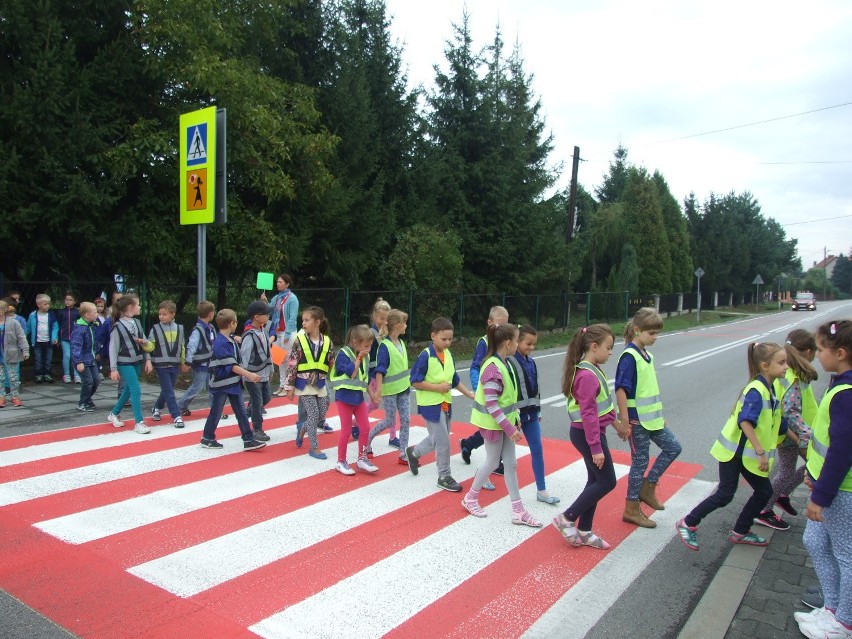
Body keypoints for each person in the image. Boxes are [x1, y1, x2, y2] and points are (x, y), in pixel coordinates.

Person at [676, 342, 787, 551]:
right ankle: (688, 522)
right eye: (781, 363)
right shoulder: (757, 389)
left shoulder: (770, 387)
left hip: (743, 454)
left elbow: (777, 422)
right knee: (729, 494)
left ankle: (739, 530)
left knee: (759, 492)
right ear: (764, 365)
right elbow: (745, 421)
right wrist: (761, 452)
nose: (786, 367)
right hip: (736, 453)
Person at [795, 320, 852, 639]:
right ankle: (832, 608)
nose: (816, 355)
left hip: (841, 491)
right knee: (813, 541)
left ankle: (844, 622)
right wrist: (812, 474)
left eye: (820, 349)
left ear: (840, 353)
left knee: (846, 555)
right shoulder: (839, 383)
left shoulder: (846, 394)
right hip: (826, 486)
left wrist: (821, 496)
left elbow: (842, 452)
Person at [462, 323, 542, 527]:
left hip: (503, 424)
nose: (517, 344)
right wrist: (510, 428)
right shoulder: (493, 368)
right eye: (516, 340)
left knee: (510, 464)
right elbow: (491, 404)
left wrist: (512, 424)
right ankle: (470, 498)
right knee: (492, 461)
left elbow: (505, 401)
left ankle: (518, 510)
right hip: (494, 425)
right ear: (508, 343)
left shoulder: (504, 363)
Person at [552, 324, 622, 550]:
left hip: (589, 433)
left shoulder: (591, 369)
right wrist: (596, 448)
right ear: (594, 346)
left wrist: (615, 424)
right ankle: (567, 518)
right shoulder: (587, 375)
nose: (611, 352)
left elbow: (601, 408)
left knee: (595, 480)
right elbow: (589, 414)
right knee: (607, 481)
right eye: (608, 348)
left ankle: (585, 530)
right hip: (587, 435)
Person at [616, 307, 682, 528]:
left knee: (673, 447)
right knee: (639, 462)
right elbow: (621, 390)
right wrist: (624, 421)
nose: (655, 338)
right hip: (636, 421)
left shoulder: (647, 355)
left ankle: (649, 485)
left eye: (657, 333)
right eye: (651, 333)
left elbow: (647, 389)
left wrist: (659, 416)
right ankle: (631, 508)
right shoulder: (629, 356)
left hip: (651, 419)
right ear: (637, 330)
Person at [755, 329, 818, 530]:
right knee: (813, 466)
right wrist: (806, 434)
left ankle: (777, 497)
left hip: (789, 432)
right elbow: (791, 411)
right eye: (816, 351)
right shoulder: (793, 377)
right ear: (808, 352)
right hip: (794, 434)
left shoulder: (791, 373)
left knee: (789, 470)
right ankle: (763, 508)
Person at [406, 317, 475, 493]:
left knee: (437, 438)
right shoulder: (425, 356)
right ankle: (444, 476)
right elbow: (415, 381)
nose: (447, 342)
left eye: (450, 339)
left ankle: (414, 453)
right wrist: (437, 388)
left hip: (445, 404)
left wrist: (468, 394)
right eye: (444, 339)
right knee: (443, 441)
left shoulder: (449, 356)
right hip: (430, 406)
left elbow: (454, 380)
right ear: (433, 336)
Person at [199, 309, 266, 451]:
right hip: (222, 383)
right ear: (232, 323)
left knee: (240, 412)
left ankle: (248, 439)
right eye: (235, 321)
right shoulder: (221, 343)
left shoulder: (228, 339)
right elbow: (232, 366)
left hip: (232, 382)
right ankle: (207, 437)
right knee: (217, 412)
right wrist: (249, 375)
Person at [460, 305, 509, 489]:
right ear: (489, 323)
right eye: (499, 325)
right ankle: (485, 460)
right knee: (491, 429)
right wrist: (478, 388)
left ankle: (471, 445)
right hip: (487, 391)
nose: (502, 329)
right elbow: (475, 367)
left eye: (505, 325)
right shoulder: (484, 342)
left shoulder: (506, 342)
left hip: (500, 393)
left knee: (497, 429)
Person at [509, 324, 559, 504]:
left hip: (530, 416)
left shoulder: (531, 362)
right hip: (513, 417)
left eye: (534, 344)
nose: (531, 348)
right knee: (498, 456)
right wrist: (513, 417)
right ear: (517, 341)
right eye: (528, 344)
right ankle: (482, 478)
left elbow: (536, 389)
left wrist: (538, 410)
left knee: (537, 450)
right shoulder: (508, 362)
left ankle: (541, 489)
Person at [284, 306, 334, 460]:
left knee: (321, 412)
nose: (303, 323)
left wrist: (335, 380)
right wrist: (289, 387)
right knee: (313, 414)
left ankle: (303, 429)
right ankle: (314, 447)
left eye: (307, 320)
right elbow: (292, 364)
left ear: (317, 322)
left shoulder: (327, 342)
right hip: (303, 384)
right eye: (302, 320)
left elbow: (331, 362)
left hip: (320, 383)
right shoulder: (299, 341)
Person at [330, 325, 380, 475]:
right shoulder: (344, 354)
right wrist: (358, 358)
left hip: (358, 399)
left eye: (370, 345)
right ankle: (341, 461)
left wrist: (373, 394)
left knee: (365, 428)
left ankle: (362, 458)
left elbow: (364, 380)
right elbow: (352, 373)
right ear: (354, 343)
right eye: (366, 345)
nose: (369, 348)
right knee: (346, 431)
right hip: (344, 399)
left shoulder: (365, 356)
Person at [366, 309, 411, 464]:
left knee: (406, 420)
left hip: (404, 389)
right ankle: (368, 439)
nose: (406, 325)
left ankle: (403, 454)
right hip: (391, 391)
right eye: (404, 322)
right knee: (389, 421)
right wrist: (378, 390)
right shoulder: (384, 346)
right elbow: (380, 370)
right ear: (397, 325)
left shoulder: (401, 343)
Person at [107, 294, 154, 434]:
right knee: (135, 389)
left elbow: (144, 341)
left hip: (137, 361)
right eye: (138, 304)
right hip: (124, 362)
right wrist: (113, 368)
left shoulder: (137, 323)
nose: (140, 307)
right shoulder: (118, 327)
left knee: (128, 390)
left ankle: (113, 414)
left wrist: (148, 359)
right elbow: (113, 349)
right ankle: (139, 422)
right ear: (130, 307)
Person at [145, 300, 186, 429]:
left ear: (172, 314)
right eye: (160, 314)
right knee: (169, 391)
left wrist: (183, 362)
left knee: (167, 389)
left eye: (164, 314)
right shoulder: (155, 329)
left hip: (174, 364)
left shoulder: (180, 328)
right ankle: (176, 416)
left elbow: (182, 346)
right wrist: (145, 344)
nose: (161, 316)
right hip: (161, 365)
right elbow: (151, 346)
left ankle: (157, 407)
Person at [241, 300, 274, 443]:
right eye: (265, 314)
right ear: (256, 317)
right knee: (257, 401)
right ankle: (257, 428)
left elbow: (269, 352)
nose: (268, 317)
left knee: (266, 398)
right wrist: (244, 375)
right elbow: (244, 356)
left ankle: (247, 413)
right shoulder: (249, 335)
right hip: (253, 376)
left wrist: (271, 369)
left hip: (264, 373)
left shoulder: (263, 330)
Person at [177, 301, 216, 417]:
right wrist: (188, 362)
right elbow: (191, 347)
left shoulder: (211, 327)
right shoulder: (198, 330)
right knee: (197, 386)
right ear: (210, 314)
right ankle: (181, 405)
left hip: (211, 363)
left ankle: (215, 409)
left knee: (212, 387)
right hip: (201, 364)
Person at [361, 298, 392, 440]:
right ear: (374, 317)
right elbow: (366, 356)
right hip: (373, 374)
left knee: (391, 406)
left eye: (387, 319)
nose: (384, 322)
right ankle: (357, 422)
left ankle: (393, 436)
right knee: (375, 403)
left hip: (388, 374)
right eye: (381, 318)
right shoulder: (371, 334)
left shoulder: (389, 334)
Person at [263, 274, 299, 396]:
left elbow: (292, 318)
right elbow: (270, 310)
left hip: (287, 333)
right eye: (277, 282)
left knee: (288, 360)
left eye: (280, 282)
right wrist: (265, 302)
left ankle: (287, 386)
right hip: (277, 333)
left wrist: (288, 333)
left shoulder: (292, 298)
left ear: (287, 284)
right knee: (279, 360)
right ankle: (281, 385)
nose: (277, 284)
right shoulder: (277, 298)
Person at [71, 302, 101, 412]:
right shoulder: (80, 328)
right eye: (95, 312)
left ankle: (87, 399)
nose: (97, 314)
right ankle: (82, 402)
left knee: (96, 380)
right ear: (87, 315)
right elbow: (76, 346)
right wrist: (78, 361)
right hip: (82, 361)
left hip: (90, 359)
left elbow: (93, 342)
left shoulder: (91, 325)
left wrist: (96, 352)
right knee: (88, 381)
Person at [0, 299, 29, 408]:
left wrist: (25, 350)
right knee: (0, 378)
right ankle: (1, 397)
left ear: (3, 311)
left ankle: (15, 396)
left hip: (12, 354)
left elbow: (21, 337)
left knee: (13, 377)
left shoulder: (13, 322)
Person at [27, 294, 58, 383]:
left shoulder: (51, 315)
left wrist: (54, 337)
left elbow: (55, 326)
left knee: (48, 359)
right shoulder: (33, 315)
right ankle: (38, 374)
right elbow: (28, 328)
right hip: (37, 342)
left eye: (48, 304)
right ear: (38, 305)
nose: (48, 305)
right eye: (45, 304)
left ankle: (47, 374)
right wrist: (24, 337)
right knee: (38, 359)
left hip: (48, 341)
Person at [57, 291, 81, 384]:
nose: (68, 302)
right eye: (66, 300)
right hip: (64, 337)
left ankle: (76, 374)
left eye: (70, 300)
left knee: (75, 356)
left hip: (75, 338)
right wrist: (58, 336)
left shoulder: (77, 312)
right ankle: (66, 374)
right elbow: (58, 325)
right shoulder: (61, 312)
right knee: (67, 355)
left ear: (75, 301)